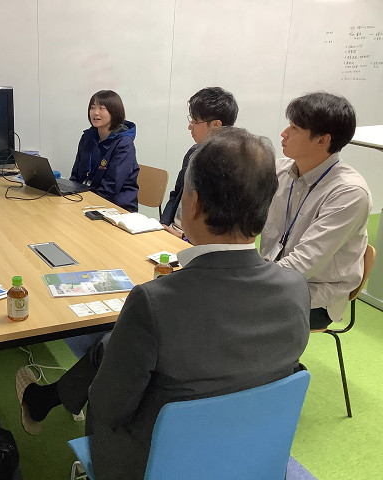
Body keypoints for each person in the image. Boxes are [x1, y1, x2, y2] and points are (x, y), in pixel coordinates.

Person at [16, 127, 310, 479]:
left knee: (111, 360)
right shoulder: (295, 287)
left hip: (155, 462)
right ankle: (48, 398)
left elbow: (109, 407)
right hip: (251, 454)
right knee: (110, 346)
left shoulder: (154, 302)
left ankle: (46, 402)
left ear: (193, 203)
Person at [260, 92, 372, 330]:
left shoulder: (349, 193)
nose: (284, 133)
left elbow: (303, 265)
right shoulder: (280, 171)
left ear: (323, 140)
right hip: (272, 275)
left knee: (226, 308)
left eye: (294, 128)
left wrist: (249, 283)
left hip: (313, 296)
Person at [160, 87, 238, 238]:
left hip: (195, 242)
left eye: (195, 121)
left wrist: (184, 238)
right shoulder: (193, 153)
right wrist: (163, 224)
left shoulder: (230, 166)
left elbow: (221, 226)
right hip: (172, 231)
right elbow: (176, 194)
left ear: (216, 125)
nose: (190, 126)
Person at [69, 90, 139, 212]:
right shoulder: (87, 137)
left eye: (102, 108)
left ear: (114, 112)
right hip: (86, 200)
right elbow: (76, 175)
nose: (95, 113)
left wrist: (82, 201)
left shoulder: (124, 143)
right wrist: (69, 194)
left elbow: (110, 188)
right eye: (92, 108)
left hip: (116, 207)